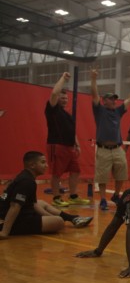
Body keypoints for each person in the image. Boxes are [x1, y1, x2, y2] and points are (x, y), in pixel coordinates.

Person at [0, 151, 92, 239]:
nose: (46, 166)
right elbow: (15, 206)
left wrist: (49, 216)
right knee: (59, 222)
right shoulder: (26, 181)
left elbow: (34, 204)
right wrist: (5, 232)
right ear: (32, 165)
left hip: (17, 213)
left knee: (41, 203)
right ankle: (7, 228)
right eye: (43, 162)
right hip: (10, 219)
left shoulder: (27, 176)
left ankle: (72, 218)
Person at [90, 68, 130, 210]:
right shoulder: (99, 110)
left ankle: (116, 195)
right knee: (102, 176)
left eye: (115, 98)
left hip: (117, 148)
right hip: (103, 149)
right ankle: (102, 199)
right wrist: (94, 78)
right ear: (104, 101)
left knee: (122, 173)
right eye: (111, 99)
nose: (114, 101)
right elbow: (94, 94)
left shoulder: (118, 111)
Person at [45, 72, 90, 207]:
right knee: (56, 173)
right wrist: (63, 79)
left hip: (70, 147)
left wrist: (77, 144)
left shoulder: (67, 114)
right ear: (57, 99)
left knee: (76, 171)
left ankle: (73, 196)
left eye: (66, 98)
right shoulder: (52, 109)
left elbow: (71, 131)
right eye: (62, 98)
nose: (64, 100)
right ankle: (56, 197)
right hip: (57, 145)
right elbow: (53, 94)